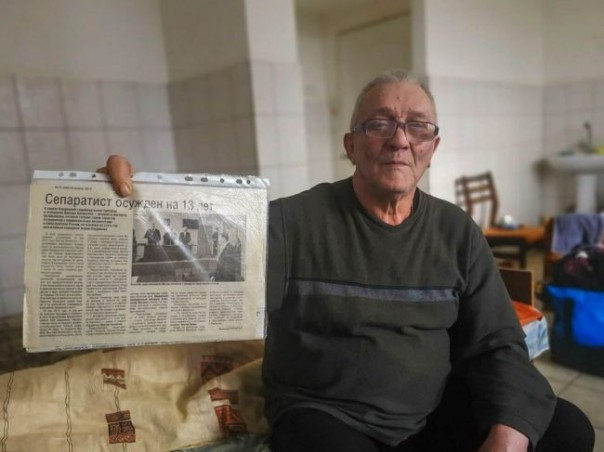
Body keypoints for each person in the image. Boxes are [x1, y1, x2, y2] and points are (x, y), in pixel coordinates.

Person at [100, 70, 594, 452]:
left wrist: (507, 433)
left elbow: (496, 342)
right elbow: (186, 269)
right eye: (379, 124)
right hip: (328, 415)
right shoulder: (290, 222)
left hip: (429, 410)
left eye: (417, 126)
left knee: (566, 429)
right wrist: (117, 207)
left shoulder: (456, 230)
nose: (400, 139)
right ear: (351, 145)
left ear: (432, 148)